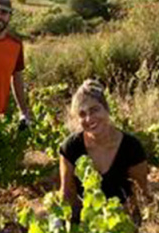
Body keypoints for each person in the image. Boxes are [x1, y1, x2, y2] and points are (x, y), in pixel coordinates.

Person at [59, 79, 148, 227]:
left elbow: (140, 194)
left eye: (94, 110)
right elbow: (67, 194)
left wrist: (117, 222)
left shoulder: (132, 147)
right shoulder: (71, 148)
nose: (89, 119)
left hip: (122, 223)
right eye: (82, 114)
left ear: (106, 109)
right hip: (85, 223)